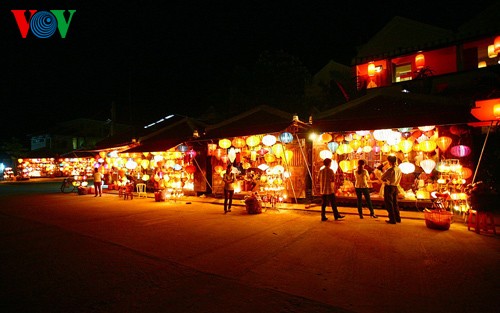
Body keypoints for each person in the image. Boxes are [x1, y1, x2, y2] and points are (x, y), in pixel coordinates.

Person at [381, 155, 403, 224]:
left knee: (389, 203)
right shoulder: (399, 169)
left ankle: (392, 219)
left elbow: (382, 177)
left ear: (389, 161)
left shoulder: (390, 169)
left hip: (389, 187)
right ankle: (397, 218)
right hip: (395, 187)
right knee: (395, 203)